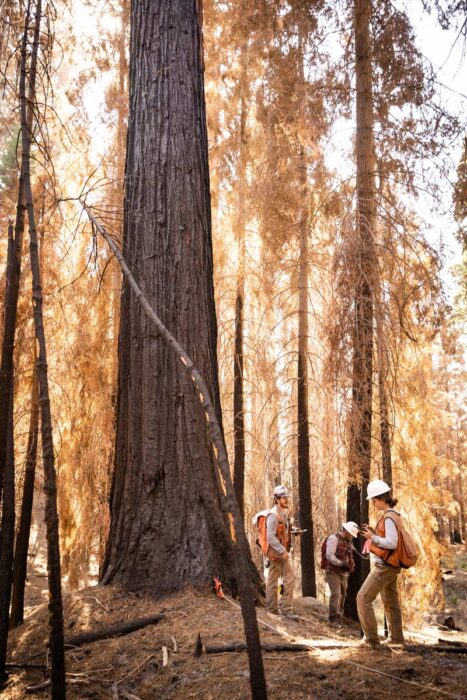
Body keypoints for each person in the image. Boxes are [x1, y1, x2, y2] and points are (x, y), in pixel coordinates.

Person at [357, 479, 405, 648]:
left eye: (374, 500)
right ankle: (397, 639)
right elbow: (388, 539)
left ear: (382, 499)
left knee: (363, 598)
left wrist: (372, 538)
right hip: (390, 564)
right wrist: (373, 532)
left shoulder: (389, 517)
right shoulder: (393, 515)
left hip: (384, 566)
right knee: (391, 602)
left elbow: (392, 543)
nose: (373, 503)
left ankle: (371, 640)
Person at [265, 485, 300, 621]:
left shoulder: (283, 513)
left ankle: (277, 609)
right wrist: (282, 550)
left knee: (277, 580)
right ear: (277, 499)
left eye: (286, 497)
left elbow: (283, 531)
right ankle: (281, 610)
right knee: (280, 579)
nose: (286, 500)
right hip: (277, 553)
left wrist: (294, 531)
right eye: (284, 498)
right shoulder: (273, 516)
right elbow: (270, 537)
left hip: (282, 552)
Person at [321, 521, 358, 625]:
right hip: (333, 570)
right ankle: (333, 619)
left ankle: (339, 616)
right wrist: (341, 563)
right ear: (346, 532)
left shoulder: (348, 542)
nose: (352, 538)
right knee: (336, 593)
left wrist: (351, 565)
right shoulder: (333, 539)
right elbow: (329, 555)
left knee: (343, 594)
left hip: (344, 573)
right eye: (351, 535)